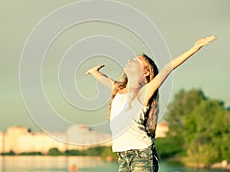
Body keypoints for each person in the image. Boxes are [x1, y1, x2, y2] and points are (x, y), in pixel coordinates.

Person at [85, 36, 217, 172]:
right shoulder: (118, 89)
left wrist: (194, 48)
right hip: (122, 157)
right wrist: (95, 72)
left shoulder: (144, 92)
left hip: (142, 156)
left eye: (137, 61)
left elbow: (167, 68)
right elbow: (104, 79)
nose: (131, 60)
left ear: (146, 71)